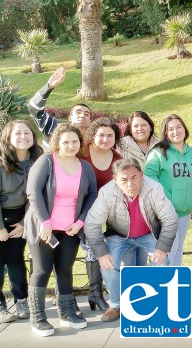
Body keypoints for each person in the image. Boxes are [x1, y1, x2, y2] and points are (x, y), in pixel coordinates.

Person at [24, 124, 97, 336]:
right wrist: (45, 222)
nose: (71, 145)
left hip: (70, 230)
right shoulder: (46, 161)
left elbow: (92, 195)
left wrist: (80, 222)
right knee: (42, 270)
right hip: (44, 228)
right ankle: (37, 317)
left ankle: (66, 312)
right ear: (57, 142)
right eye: (65, 142)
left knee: (65, 270)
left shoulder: (85, 167)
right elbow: (34, 192)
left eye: (75, 141)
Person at [84, 158, 178, 322]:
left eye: (134, 177)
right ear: (115, 179)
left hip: (148, 234)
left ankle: (151, 301)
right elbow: (92, 224)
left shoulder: (154, 188)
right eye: (124, 179)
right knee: (108, 265)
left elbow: (170, 219)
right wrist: (102, 253)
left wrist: (162, 248)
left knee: (162, 262)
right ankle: (117, 305)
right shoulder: (107, 192)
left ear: (141, 175)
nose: (130, 184)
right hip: (119, 236)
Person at [77, 118, 123, 312]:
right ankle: (89, 293)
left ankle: (97, 292)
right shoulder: (82, 152)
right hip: (80, 211)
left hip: (106, 213)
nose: (105, 139)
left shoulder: (117, 158)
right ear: (92, 135)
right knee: (85, 250)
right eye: (101, 135)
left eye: (109, 136)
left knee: (101, 251)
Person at [0, 121, 43, 323]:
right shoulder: (1, 162)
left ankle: (21, 300)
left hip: (25, 216)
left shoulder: (39, 159)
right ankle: (1, 306)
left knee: (15, 260)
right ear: (8, 138)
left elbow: (37, 195)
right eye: (18, 133)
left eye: (27, 132)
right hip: (2, 215)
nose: (24, 136)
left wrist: (25, 223)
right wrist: (0, 227)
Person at [145, 114, 192, 266]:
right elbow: (149, 179)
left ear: (184, 129)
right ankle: (158, 287)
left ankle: (173, 286)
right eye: (171, 129)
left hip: (185, 211)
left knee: (178, 249)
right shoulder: (159, 152)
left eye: (178, 127)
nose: (175, 131)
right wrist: (166, 200)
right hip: (165, 213)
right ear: (165, 133)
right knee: (165, 253)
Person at [27, 67, 91, 148]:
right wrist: (49, 87)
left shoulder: (91, 142)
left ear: (90, 121)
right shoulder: (55, 128)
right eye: (78, 112)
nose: (82, 116)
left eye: (86, 114)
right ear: (70, 118)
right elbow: (34, 107)